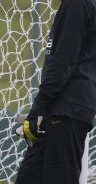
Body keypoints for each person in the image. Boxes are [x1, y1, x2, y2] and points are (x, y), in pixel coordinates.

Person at [15, 0, 96, 183]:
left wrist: (38, 108)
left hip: (67, 107)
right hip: (61, 106)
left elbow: (63, 62)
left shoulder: (78, 4)